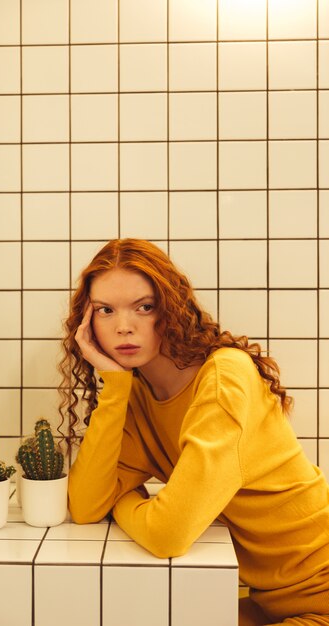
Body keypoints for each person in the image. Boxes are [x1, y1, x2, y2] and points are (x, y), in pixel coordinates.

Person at [58, 238, 329, 626]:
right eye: (105, 310)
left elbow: (168, 533)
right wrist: (115, 386)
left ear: (171, 309)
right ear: (88, 324)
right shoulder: (136, 397)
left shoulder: (224, 378)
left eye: (144, 307)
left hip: (320, 598)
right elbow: (84, 506)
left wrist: (124, 505)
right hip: (263, 602)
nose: (123, 327)